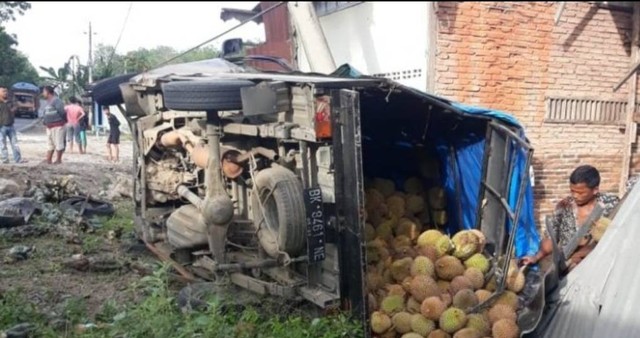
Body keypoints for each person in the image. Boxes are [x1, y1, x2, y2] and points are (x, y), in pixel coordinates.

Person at [521, 165, 620, 271]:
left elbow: (620, 235)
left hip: (601, 266)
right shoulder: (564, 206)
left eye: (581, 193)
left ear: (595, 190)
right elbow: (551, 238)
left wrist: (589, 251)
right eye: (572, 191)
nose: (575, 196)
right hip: (568, 267)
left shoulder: (611, 204)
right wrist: (536, 257)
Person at [41, 85, 67, 164]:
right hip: (49, 126)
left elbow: (62, 112)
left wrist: (62, 121)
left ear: (48, 92)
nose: (43, 94)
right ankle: (49, 159)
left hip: (57, 125)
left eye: (44, 92)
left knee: (59, 143)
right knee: (50, 144)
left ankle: (58, 160)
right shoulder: (47, 102)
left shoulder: (57, 101)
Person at [0, 85, 25, 164]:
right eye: (3, 91)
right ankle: (5, 159)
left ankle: (18, 159)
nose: (5, 93)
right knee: (2, 145)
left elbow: (16, 108)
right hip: (1, 127)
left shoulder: (10, 101)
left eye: (6, 91)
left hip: (11, 125)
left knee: (15, 144)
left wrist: (14, 108)